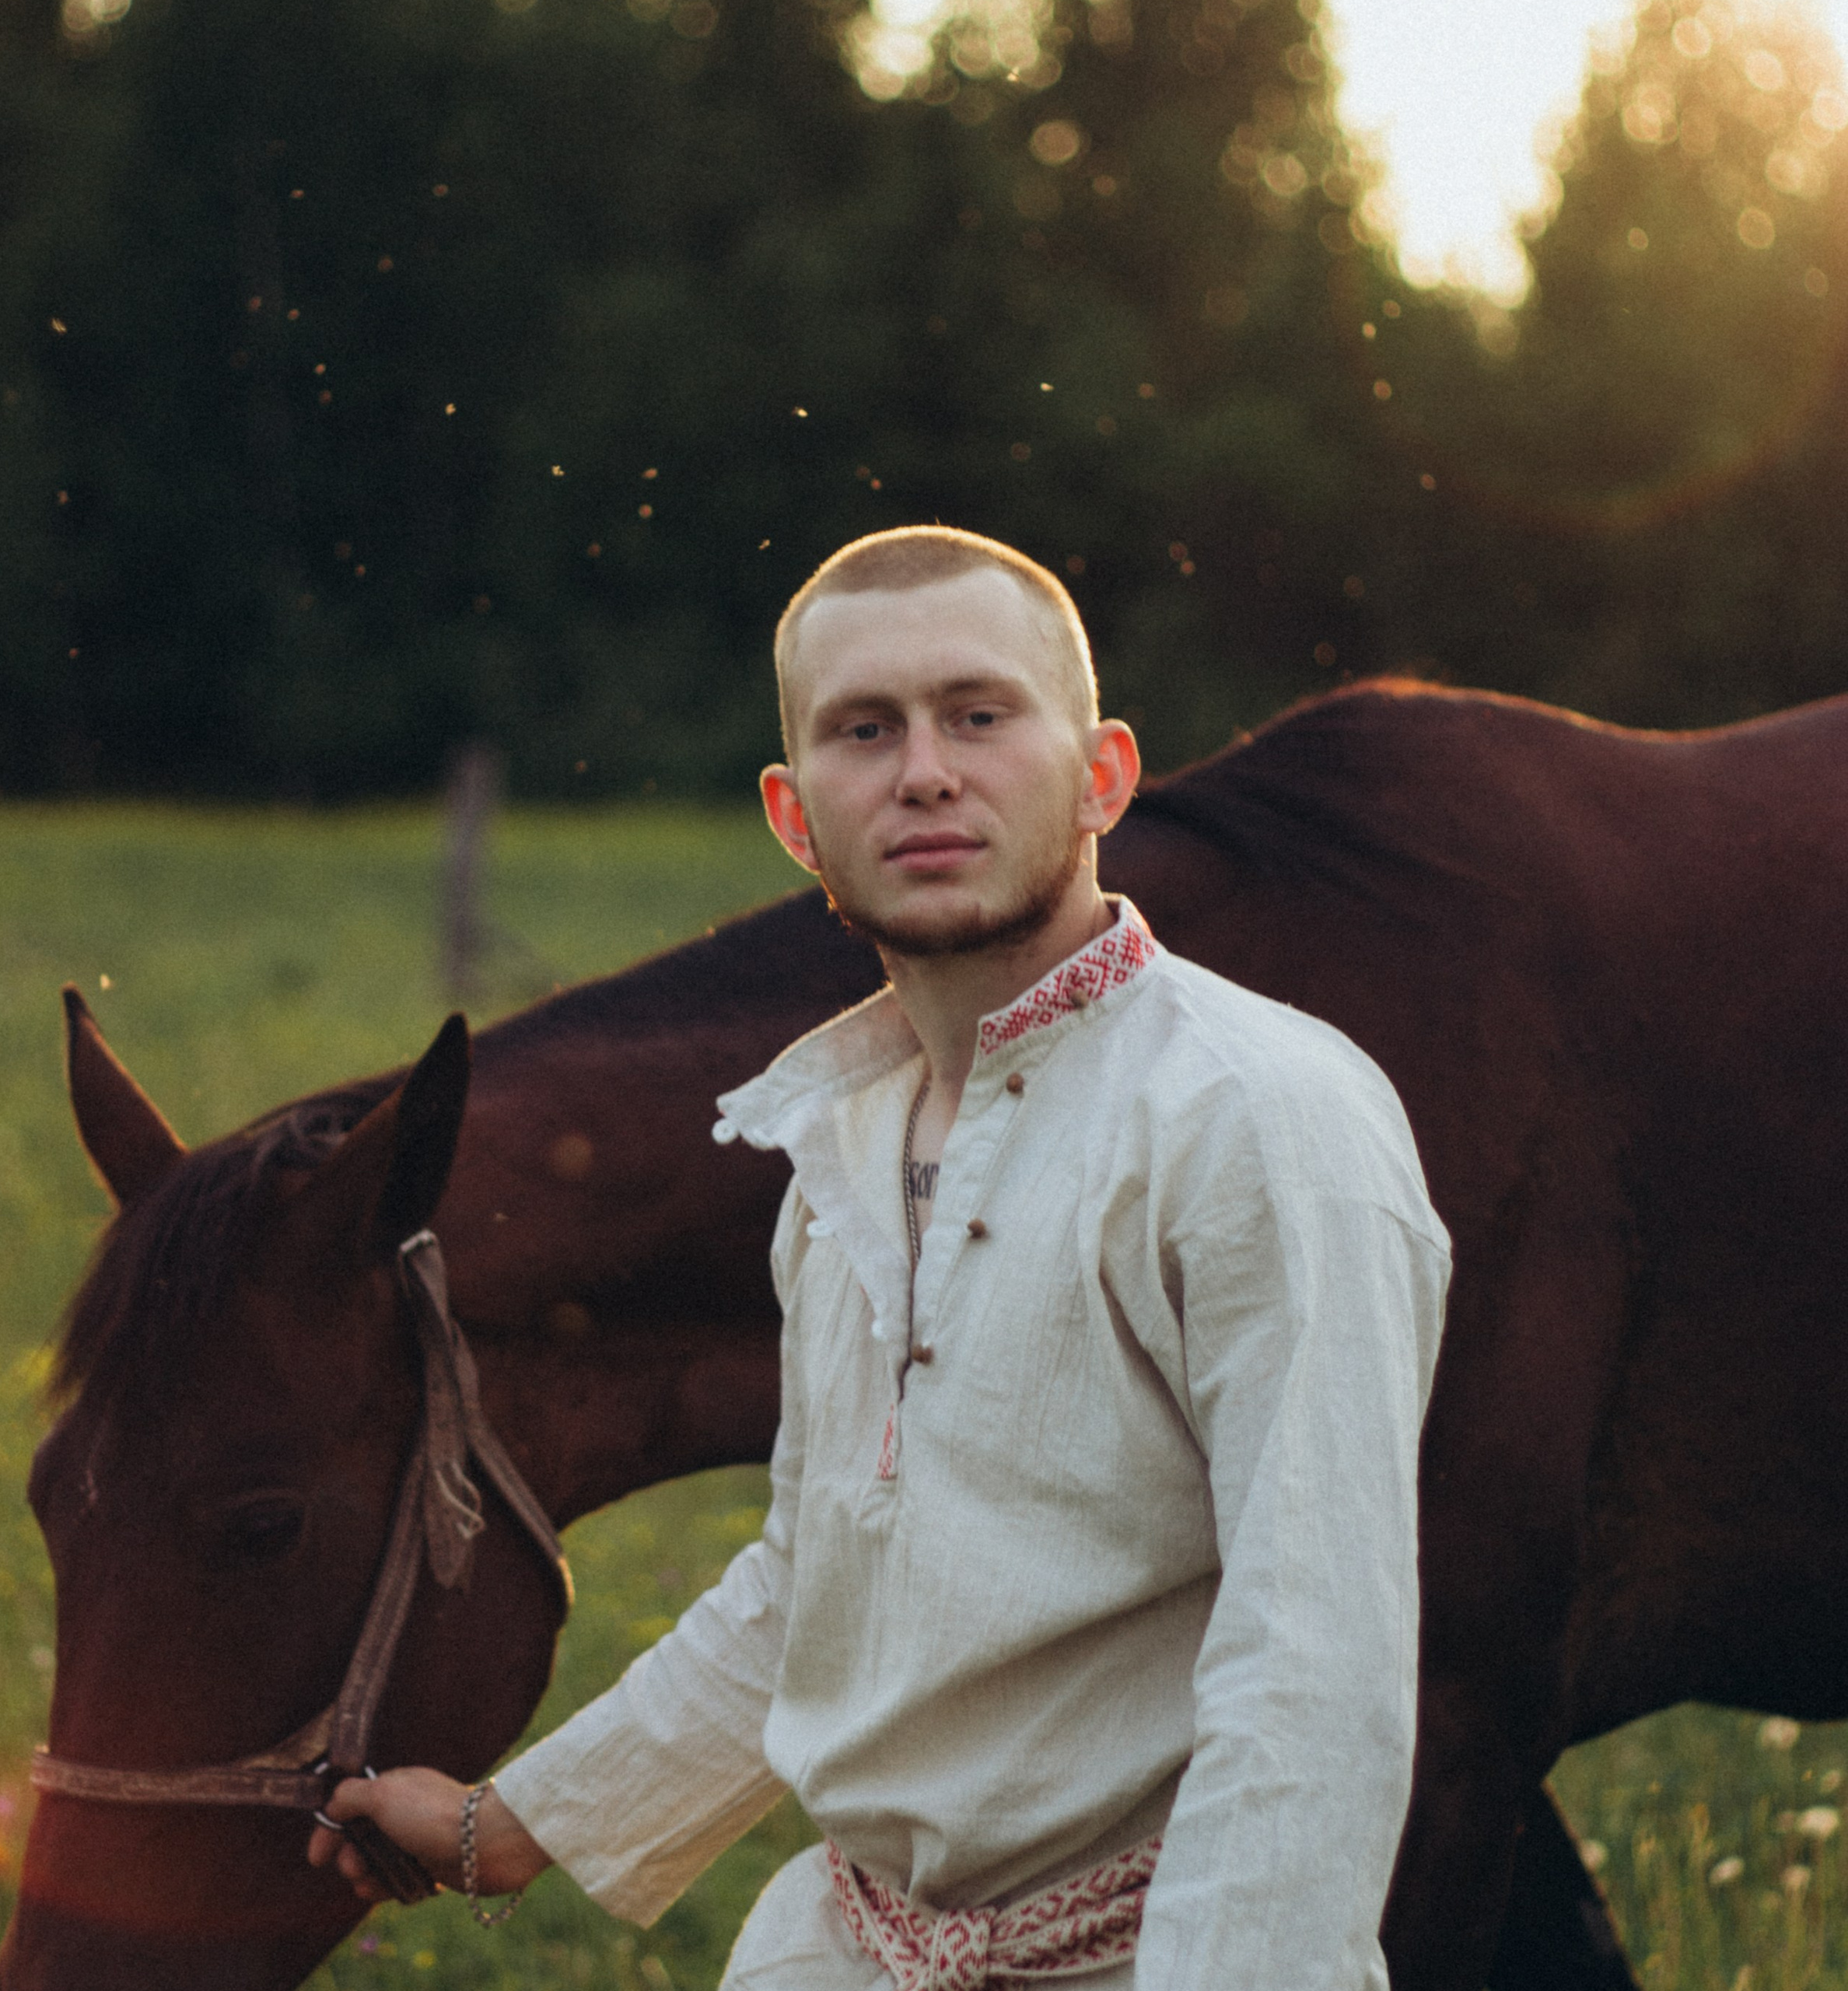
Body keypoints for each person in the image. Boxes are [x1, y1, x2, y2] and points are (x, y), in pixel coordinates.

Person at [310, 526, 1451, 1989]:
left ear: (1101, 773)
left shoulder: (1257, 1121)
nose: (924, 771)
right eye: (866, 730)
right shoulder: (841, 1145)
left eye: (979, 715)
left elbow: (1318, 1663)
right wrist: (508, 1827)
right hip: (841, 1953)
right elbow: (822, 1581)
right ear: (796, 817)